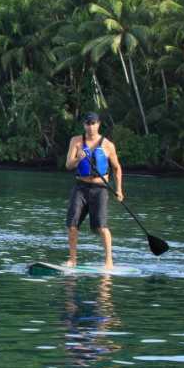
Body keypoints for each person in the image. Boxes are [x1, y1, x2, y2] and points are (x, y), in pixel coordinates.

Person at [64, 111, 124, 268]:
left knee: (101, 227)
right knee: (72, 224)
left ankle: (109, 261)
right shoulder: (76, 141)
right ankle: (72, 260)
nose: (90, 127)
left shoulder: (108, 145)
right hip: (80, 187)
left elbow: (117, 168)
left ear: (98, 124)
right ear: (84, 125)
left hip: (100, 189)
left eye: (93, 123)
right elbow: (68, 165)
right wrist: (79, 158)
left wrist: (119, 190)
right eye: (87, 124)